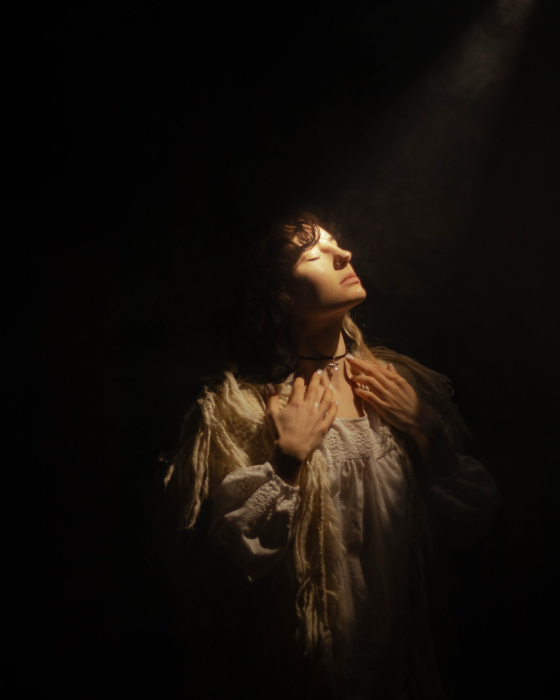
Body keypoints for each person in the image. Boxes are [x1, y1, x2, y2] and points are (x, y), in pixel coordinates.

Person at [157, 211, 500, 700]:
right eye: (313, 254)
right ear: (281, 297)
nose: (343, 254)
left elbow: (471, 527)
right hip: (307, 677)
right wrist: (287, 460)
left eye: (336, 243)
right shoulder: (242, 411)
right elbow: (223, 570)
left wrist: (428, 433)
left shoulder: (402, 387)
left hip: (403, 672)